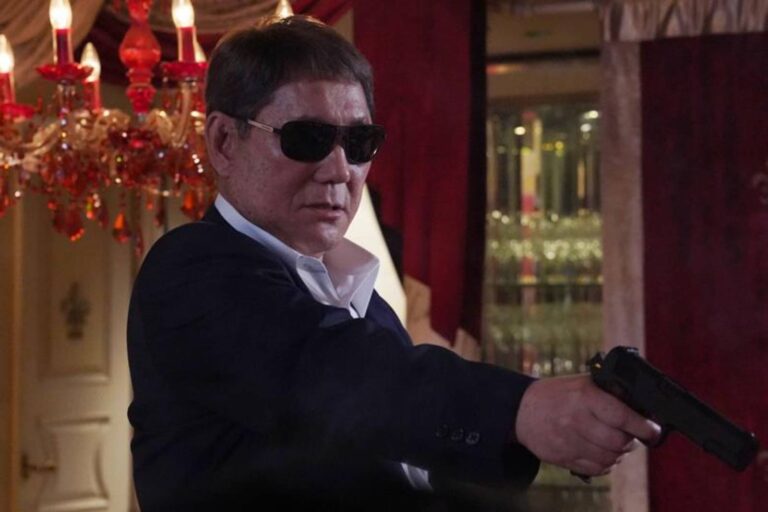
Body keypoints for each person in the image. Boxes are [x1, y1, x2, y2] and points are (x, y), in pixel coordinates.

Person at [127, 15, 660, 511]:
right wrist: (522, 407)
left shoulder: (363, 301)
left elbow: (403, 457)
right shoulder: (189, 269)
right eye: (307, 139)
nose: (340, 170)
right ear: (224, 142)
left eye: (359, 142)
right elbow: (338, 379)